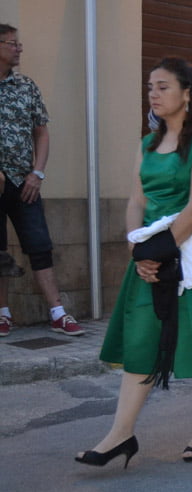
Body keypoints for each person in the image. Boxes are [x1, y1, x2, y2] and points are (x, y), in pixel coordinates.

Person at [74, 57, 192, 469]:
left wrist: (156, 251)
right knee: (141, 338)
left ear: (187, 93)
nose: (153, 93)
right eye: (150, 87)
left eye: (162, 86)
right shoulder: (146, 144)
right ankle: (120, 434)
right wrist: (138, 252)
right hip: (152, 253)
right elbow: (136, 200)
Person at [0, 23, 84, 338]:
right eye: (12, 43)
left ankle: (58, 313)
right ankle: (3, 315)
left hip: (25, 181)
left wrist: (37, 172)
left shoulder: (26, 86)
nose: (19, 48)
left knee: (39, 246)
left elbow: (41, 131)